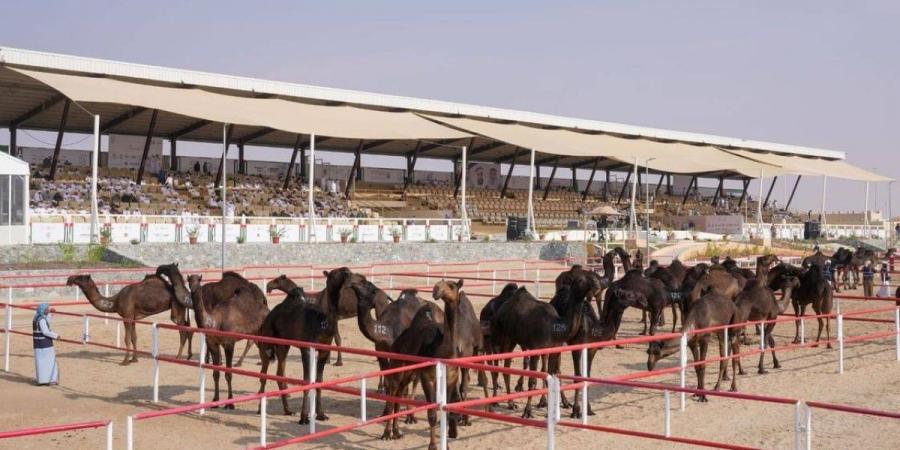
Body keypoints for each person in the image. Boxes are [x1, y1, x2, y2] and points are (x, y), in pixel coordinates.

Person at [32, 303, 60, 385]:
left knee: (41, 362)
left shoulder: (36, 318)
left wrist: (51, 313)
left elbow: (46, 322)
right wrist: (56, 336)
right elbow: (46, 331)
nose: (48, 310)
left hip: (38, 344)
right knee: (50, 362)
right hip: (45, 344)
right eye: (47, 309)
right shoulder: (41, 320)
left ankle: (42, 380)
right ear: (43, 310)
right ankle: (51, 380)